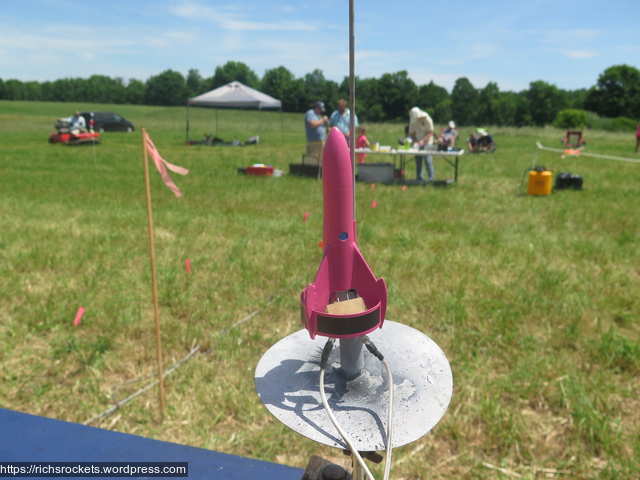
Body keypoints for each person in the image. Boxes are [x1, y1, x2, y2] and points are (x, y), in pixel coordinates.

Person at [408, 107, 435, 181]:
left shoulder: (427, 119)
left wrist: (423, 141)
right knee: (418, 161)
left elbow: (431, 132)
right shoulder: (412, 121)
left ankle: (431, 179)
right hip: (417, 143)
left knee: (428, 160)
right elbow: (411, 133)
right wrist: (415, 141)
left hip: (428, 142)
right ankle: (419, 178)